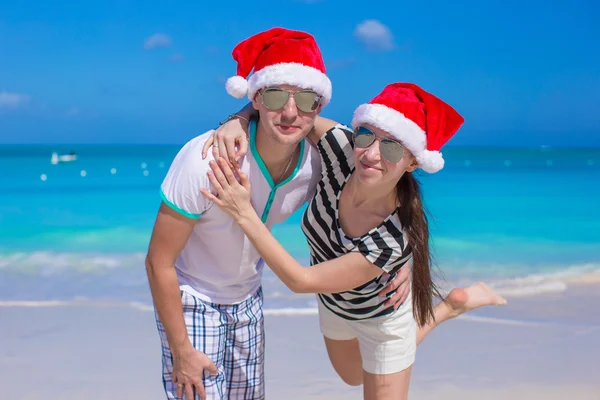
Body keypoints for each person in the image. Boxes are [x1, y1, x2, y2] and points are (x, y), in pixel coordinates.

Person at [145, 27, 414, 400]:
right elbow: (158, 261)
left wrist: (402, 257)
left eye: (305, 100)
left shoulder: (320, 163)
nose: (290, 112)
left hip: (249, 301)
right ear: (256, 97)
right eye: (274, 95)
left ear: (319, 107)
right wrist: (180, 348)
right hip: (193, 299)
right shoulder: (205, 160)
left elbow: (389, 181)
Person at [200, 82, 507, 399]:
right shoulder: (342, 150)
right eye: (366, 137)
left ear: (413, 162)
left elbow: (301, 280)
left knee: (382, 369)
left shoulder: (391, 238)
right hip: (334, 304)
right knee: (352, 377)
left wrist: (243, 212)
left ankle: (443, 310)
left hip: (384, 319)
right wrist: (239, 117)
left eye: (391, 148)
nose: (372, 154)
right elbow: (292, 114)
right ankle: (447, 308)